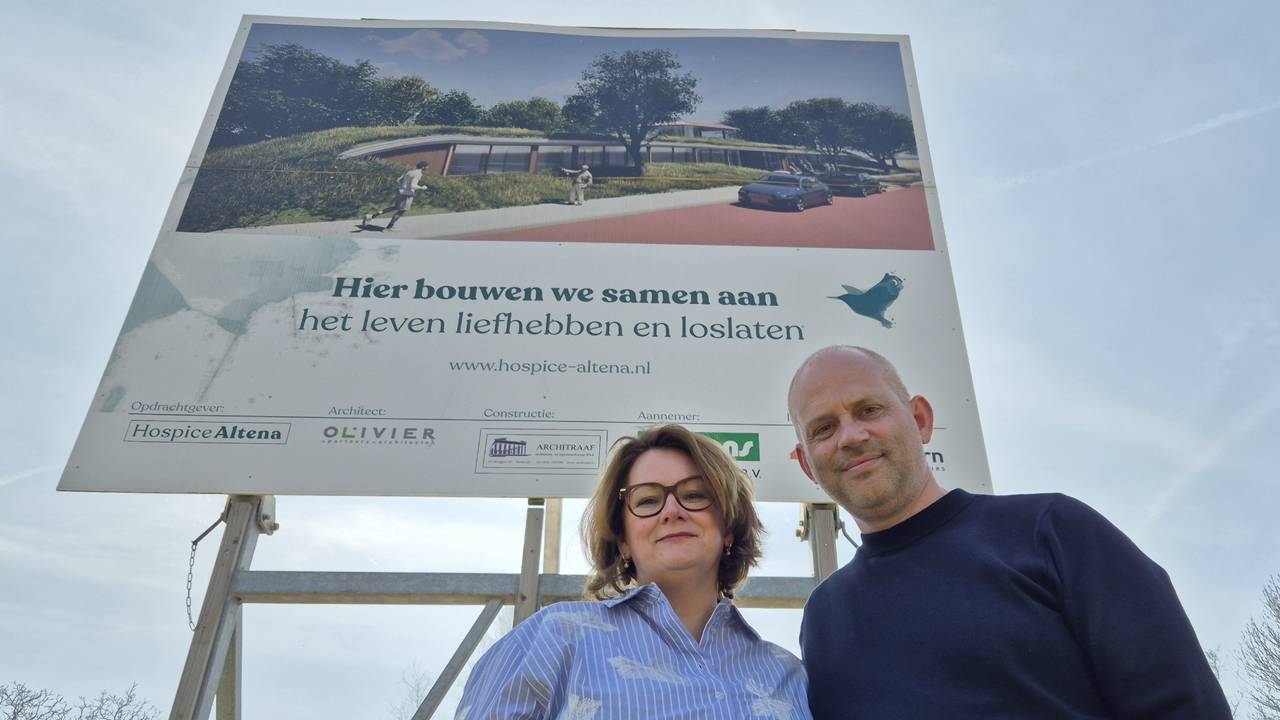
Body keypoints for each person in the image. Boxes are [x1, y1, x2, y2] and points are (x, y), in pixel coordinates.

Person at [787, 345, 1232, 719]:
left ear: (920, 419)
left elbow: (1182, 706)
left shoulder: (1053, 531)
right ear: (807, 463)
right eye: (823, 428)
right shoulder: (824, 619)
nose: (850, 436)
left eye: (869, 409)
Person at [456, 424, 812, 719]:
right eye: (647, 501)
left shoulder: (787, 674)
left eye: (695, 494)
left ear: (729, 527)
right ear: (623, 541)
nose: (671, 510)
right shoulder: (552, 640)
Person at [364, 161, 429, 230]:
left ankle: (371, 216)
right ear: (423, 167)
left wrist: (402, 187)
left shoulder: (409, 172)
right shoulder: (418, 174)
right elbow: (413, 186)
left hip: (401, 192)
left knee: (395, 207)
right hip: (408, 195)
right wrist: (422, 187)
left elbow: (398, 180)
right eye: (427, 166)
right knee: (402, 210)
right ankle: (389, 227)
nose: (428, 168)